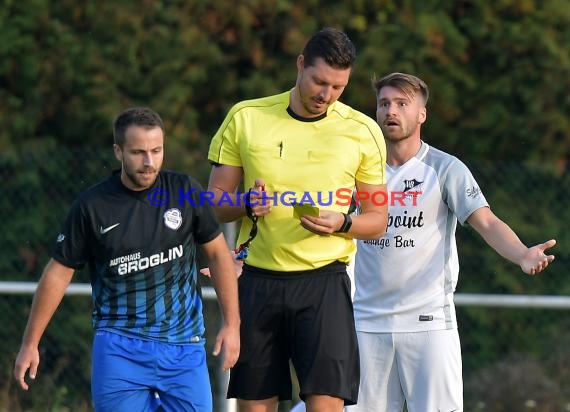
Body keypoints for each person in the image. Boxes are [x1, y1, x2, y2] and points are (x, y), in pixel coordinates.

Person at [348, 72, 557, 412]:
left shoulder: (445, 169)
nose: (391, 111)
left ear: (421, 114)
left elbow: (487, 222)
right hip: (365, 323)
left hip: (428, 323)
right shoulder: (356, 170)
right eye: (384, 103)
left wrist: (521, 254)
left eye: (402, 104)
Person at [207, 27, 388, 411]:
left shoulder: (363, 131)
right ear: (301, 64)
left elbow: (377, 220)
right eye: (319, 81)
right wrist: (246, 203)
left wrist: (342, 222)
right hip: (257, 282)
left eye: (338, 87)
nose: (326, 95)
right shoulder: (246, 117)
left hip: (325, 284)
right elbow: (215, 204)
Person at [13, 107, 240, 412]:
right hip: (120, 347)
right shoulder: (93, 206)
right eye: (138, 152)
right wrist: (31, 342)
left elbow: (217, 253)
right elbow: (57, 273)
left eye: (156, 151)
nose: (149, 162)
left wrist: (232, 324)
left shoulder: (184, 191)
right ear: (118, 151)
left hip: (184, 346)